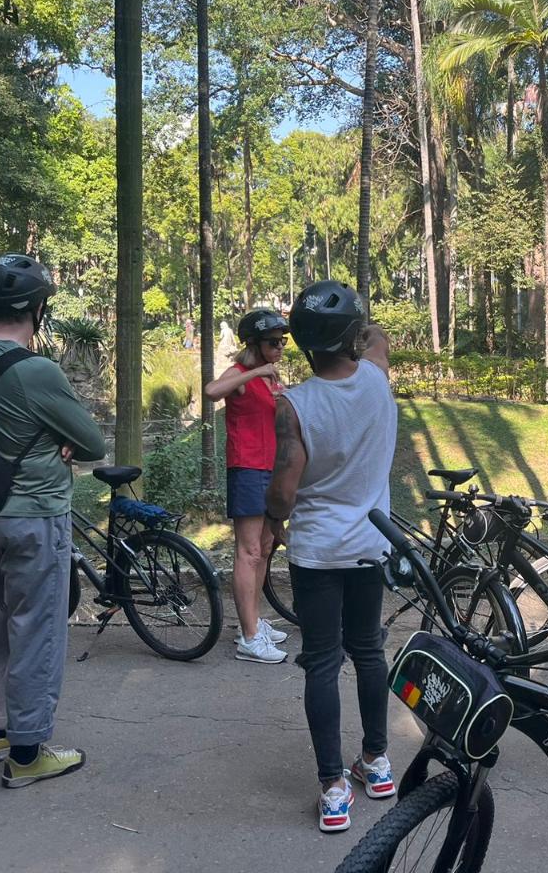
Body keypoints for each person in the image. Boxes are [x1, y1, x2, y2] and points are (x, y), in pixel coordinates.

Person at [0, 253, 106, 788]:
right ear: (36, 308)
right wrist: (58, 440)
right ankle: (27, 753)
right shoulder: (37, 370)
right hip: (33, 516)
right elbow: (91, 442)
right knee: (36, 627)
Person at [264, 280, 396, 833]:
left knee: (321, 661)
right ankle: (379, 762)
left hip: (318, 550)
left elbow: (283, 491)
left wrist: (272, 526)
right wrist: (354, 328)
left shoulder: (293, 405)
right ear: (352, 337)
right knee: (367, 650)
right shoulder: (377, 377)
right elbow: (377, 336)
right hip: (371, 544)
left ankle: (334, 788)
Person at [203, 308, 292, 663]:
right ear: (255, 343)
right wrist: (256, 371)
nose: (281, 348)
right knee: (249, 550)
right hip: (247, 466)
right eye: (274, 343)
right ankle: (249, 638)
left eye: (283, 342)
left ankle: (251, 622)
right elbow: (211, 391)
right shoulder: (241, 373)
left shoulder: (271, 377)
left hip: (271, 468)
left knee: (267, 546)